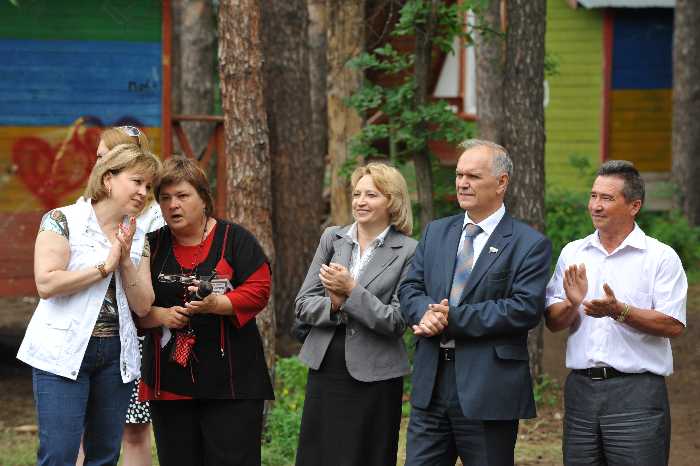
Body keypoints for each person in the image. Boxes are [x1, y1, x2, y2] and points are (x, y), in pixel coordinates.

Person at [399, 139, 552, 466]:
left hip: (489, 389)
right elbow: (410, 287)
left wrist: (452, 318)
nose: (462, 183)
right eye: (459, 175)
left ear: (501, 183)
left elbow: (524, 308)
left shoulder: (529, 243)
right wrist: (425, 313)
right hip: (431, 384)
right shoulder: (436, 232)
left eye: (473, 176)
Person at [17, 143, 161, 465]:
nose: (143, 192)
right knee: (59, 454)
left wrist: (125, 261)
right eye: (137, 181)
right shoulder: (62, 219)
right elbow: (46, 283)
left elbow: (143, 306)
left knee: (104, 456)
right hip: (62, 351)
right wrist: (104, 267)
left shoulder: (139, 235)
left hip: (115, 355)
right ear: (108, 179)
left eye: (148, 186)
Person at [544, 160, 686, 466]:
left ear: (634, 206)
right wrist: (571, 304)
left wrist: (620, 311)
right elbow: (553, 322)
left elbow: (673, 324)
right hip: (581, 392)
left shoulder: (660, 257)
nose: (595, 205)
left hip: (637, 394)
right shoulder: (573, 252)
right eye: (593, 196)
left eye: (607, 198)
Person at [138, 157, 274, 466]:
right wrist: (159, 315)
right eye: (165, 198)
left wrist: (217, 304)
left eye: (182, 196)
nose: (173, 205)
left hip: (232, 382)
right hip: (169, 382)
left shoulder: (234, 239)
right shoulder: (150, 246)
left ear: (203, 198)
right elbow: (131, 301)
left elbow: (259, 289)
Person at [294, 162, 417, 466]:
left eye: (371, 195)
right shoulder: (332, 238)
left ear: (392, 201)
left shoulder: (409, 250)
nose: (360, 201)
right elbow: (303, 303)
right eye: (357, 194)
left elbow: (397, 321)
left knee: (367, 455)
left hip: (376, 374)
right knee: (320, 456)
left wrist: (351, 292)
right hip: (326, 367)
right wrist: (335, 305)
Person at [76, 125, 163, 466]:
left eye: (104, 156)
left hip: (134, 336)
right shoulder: (81, 209)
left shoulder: (153, 217)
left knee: (134, 430)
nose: (97, 163)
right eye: (98, 157)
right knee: (83, 428)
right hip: (85, 333)